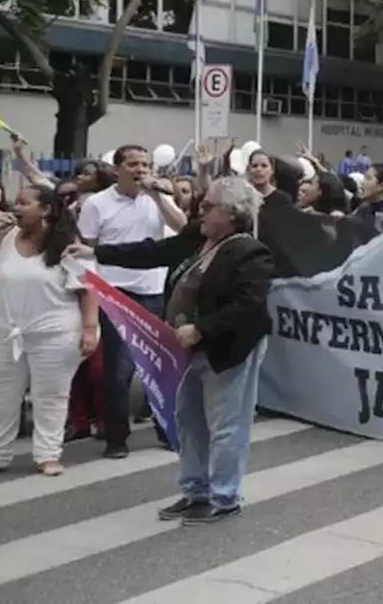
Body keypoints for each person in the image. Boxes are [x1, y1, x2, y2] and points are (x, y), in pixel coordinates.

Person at [68, 177, 274, 524]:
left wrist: (201, 328)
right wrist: (97, 252)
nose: (201, 210)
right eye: (203, 203)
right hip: (188, 347)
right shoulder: (200, 238)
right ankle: (196, 492)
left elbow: (249, 304)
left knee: (226, 426)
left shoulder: (248, 251)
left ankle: (225, 497)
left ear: (234, 215)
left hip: (228, 348)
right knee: (190, 420)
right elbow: (154, 251)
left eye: (210, 206)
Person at [77, 144, 182, 458]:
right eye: (134, 164)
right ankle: (117, 439)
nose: (141, 170)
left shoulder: (158, 198)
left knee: (157, 366)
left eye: (145, 164)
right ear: (117, 169)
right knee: (119, 370)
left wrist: (159, 197)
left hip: (154, 292)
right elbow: (88, 249)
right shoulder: (97, 204)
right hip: (116, 293)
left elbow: (181, 228)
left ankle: (166, 430)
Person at [0, 186, 97, 475]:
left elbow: (88, 291)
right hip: (4, 330)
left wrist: (89, 329)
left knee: (50, 395)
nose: (16, 207)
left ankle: (47, 455)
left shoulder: (68, 245)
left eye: (24, 203)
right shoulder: (7, 237)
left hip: (56, 333)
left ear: (45, 210)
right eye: (17, 202)